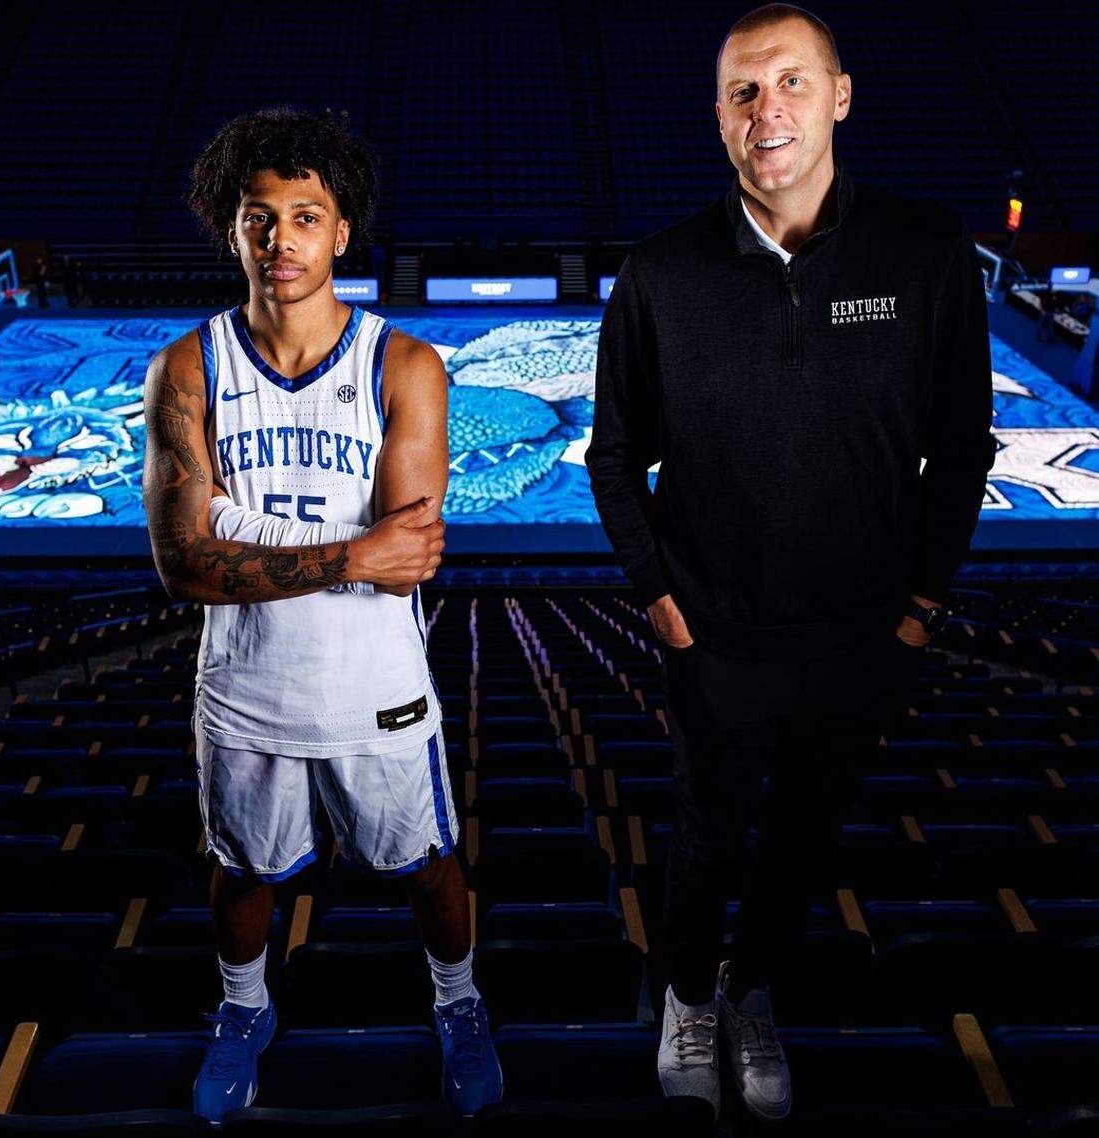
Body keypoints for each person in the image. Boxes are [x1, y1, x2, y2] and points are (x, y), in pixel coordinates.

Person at [586, 3, 995, 1122]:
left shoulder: (924, 251)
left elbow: (964, 443)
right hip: (716, 636)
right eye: (743, 92)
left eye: (791, 83)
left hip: (865, 634)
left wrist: (919, 608)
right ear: (719, 120)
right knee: (708, 839)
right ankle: (683, 992)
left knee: (807, 840)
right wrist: (662, 602)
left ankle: (749, 986)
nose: (769, 110)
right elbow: (614, 456)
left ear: (841, 95)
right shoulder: (664, 273)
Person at [143, 105, 502, 1124]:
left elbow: (406, 561)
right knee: (241, 871)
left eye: (306, 216)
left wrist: (236, 532)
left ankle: (459, 1001)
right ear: (232, 228)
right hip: (245, 691)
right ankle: (244, 1009)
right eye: (260, 217)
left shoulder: (404, 366)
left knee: (430, 866)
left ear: (342, 231)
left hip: (375, 687)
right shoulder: (185, 369)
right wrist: (346, 550)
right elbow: (184, 564)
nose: (281, 240)